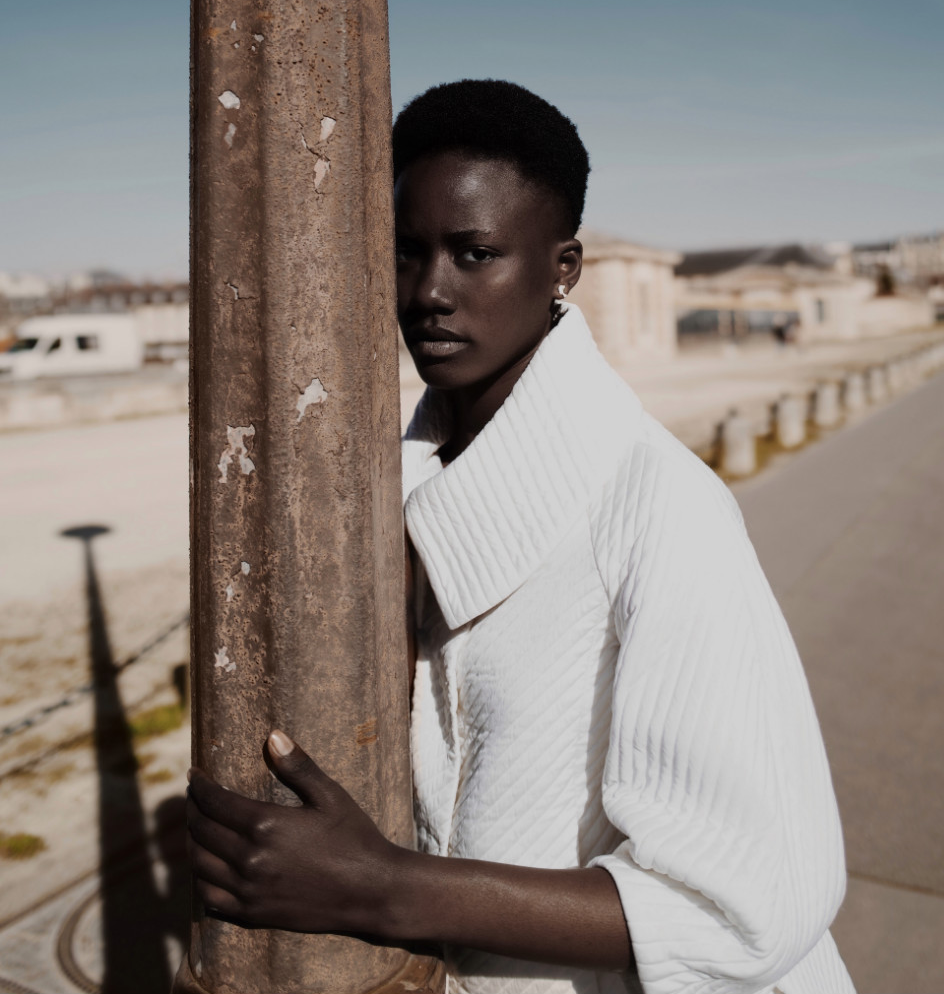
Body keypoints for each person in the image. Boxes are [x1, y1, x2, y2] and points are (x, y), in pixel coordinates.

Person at [186, 80, 856, 994]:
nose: (430, 292)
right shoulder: (394, 493)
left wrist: (382, 888)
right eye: (407, 251)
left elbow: (746, 908)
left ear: (563, 265)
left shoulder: (663, 507)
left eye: (476, 253)